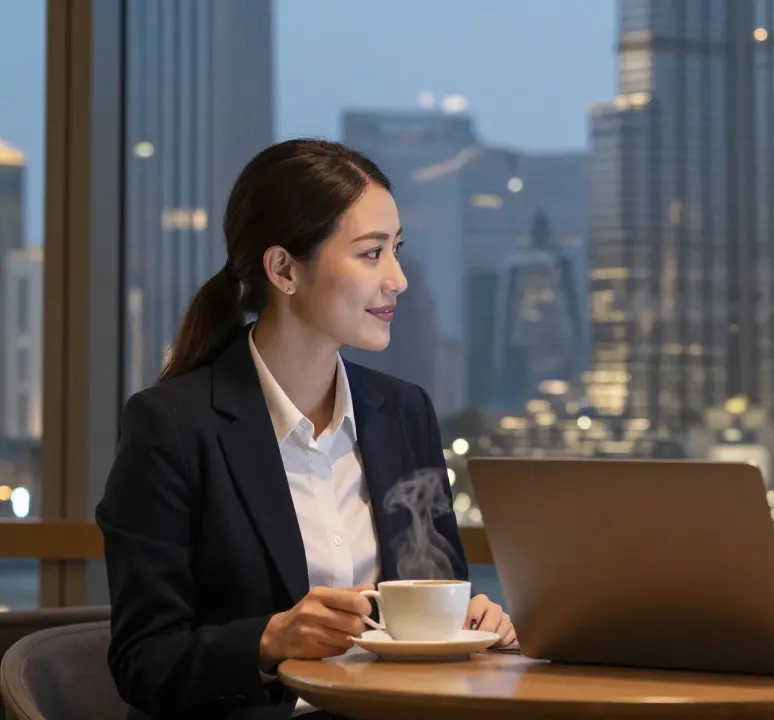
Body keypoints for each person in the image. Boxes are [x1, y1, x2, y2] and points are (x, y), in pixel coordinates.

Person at [96, 139, 516, 720]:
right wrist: (269, 642)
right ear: (284, 269)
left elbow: (432, 599)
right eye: (371, 254)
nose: (398, 279)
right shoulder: (171, 426)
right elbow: (144, 661)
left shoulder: (404, 413)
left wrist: (472, 621)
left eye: (396, 250)